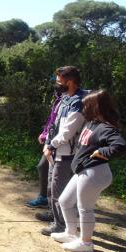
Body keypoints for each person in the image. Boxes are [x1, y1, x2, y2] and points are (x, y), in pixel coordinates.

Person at [51, 90, 126, 252]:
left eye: (86, 105)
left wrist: (102, 152)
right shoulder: (91, 123)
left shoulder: (106, 128)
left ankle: (86, 243)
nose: (83, 108)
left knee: (85, 208)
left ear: (95, 107)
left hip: (94, 173)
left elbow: (121, 145)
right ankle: (71, 233)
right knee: (65, 201)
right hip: (83, 171)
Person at [40, 66, 88, 236]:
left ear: (70, 81)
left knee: (59, 190)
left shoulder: (78, 102)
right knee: (51, 187)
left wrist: (51, 145)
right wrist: (47, 142)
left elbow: (68, 131)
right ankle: (54, 215)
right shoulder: (65, 98)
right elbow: (54, 123)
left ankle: (60, 225)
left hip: (66, 154)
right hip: (54, 151)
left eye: (59, 81)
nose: (57, 84)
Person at [26, 91, 62, 208]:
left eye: (60, 82)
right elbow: (52, 120)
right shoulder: (58, 99)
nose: (57, 84)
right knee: (44, 167)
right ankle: (46, 198)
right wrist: (45, 133)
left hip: (61, 143)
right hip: (52, 141)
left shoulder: (71, 100)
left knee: (56, 173)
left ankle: (54, 202)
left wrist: (50, 142)